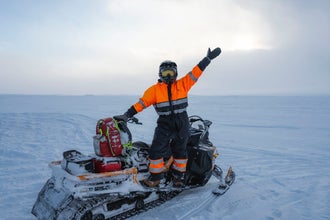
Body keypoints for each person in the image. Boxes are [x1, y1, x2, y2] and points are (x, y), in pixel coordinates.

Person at [114, 47, 221, 187]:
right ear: (160, 74)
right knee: (156, 150)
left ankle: (178, 178)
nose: (169, 75)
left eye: (171, 72)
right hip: (164, 123)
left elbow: (196, 72)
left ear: (176, 73)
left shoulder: (183, 84)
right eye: (165, 72)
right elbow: (141, 103)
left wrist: (207, 59)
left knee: (180, 152)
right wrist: (127, 115)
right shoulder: (154, 90)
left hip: (181, 122)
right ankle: (155, 178)